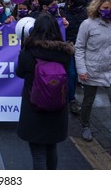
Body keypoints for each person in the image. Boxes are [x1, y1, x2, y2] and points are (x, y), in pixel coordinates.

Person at [16, 13, 74, 169]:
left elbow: (20, 73)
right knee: (51, 148)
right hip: (57, 108)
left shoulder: (27, 53)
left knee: (38, 153)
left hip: (34, 108)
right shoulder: (65, 53)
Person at [75, 0, 111, 147]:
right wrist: (82, 70)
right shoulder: (87, 24)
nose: (108, 11)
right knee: (88, 100)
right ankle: (85, 126)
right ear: (98, 8)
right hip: (91, 69)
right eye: (105, 8)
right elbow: (79, 48)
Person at [62, 0, 88, 114]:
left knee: (78, 73)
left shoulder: (86, 13)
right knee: (71, 74)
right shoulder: (63, 12)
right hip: (69, 46)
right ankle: (71, 99)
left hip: (82, 48)